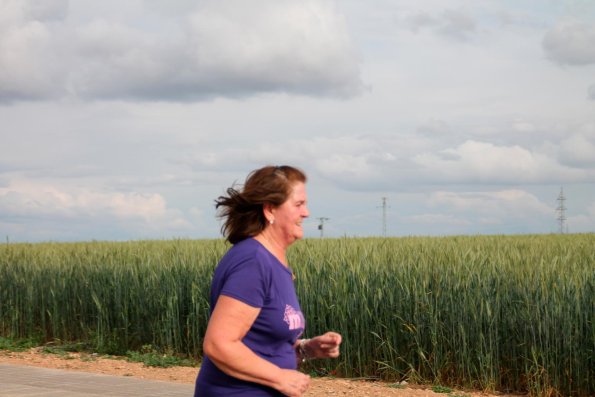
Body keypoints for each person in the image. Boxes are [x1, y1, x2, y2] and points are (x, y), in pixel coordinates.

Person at [194, 165, 342, 397]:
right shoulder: (253, 262)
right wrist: (279, 377)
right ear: (270, 210)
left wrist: (306, 349)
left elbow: (261, 344)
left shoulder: (273, 261)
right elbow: (218, 344)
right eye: (298, 204)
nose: (307, 213)